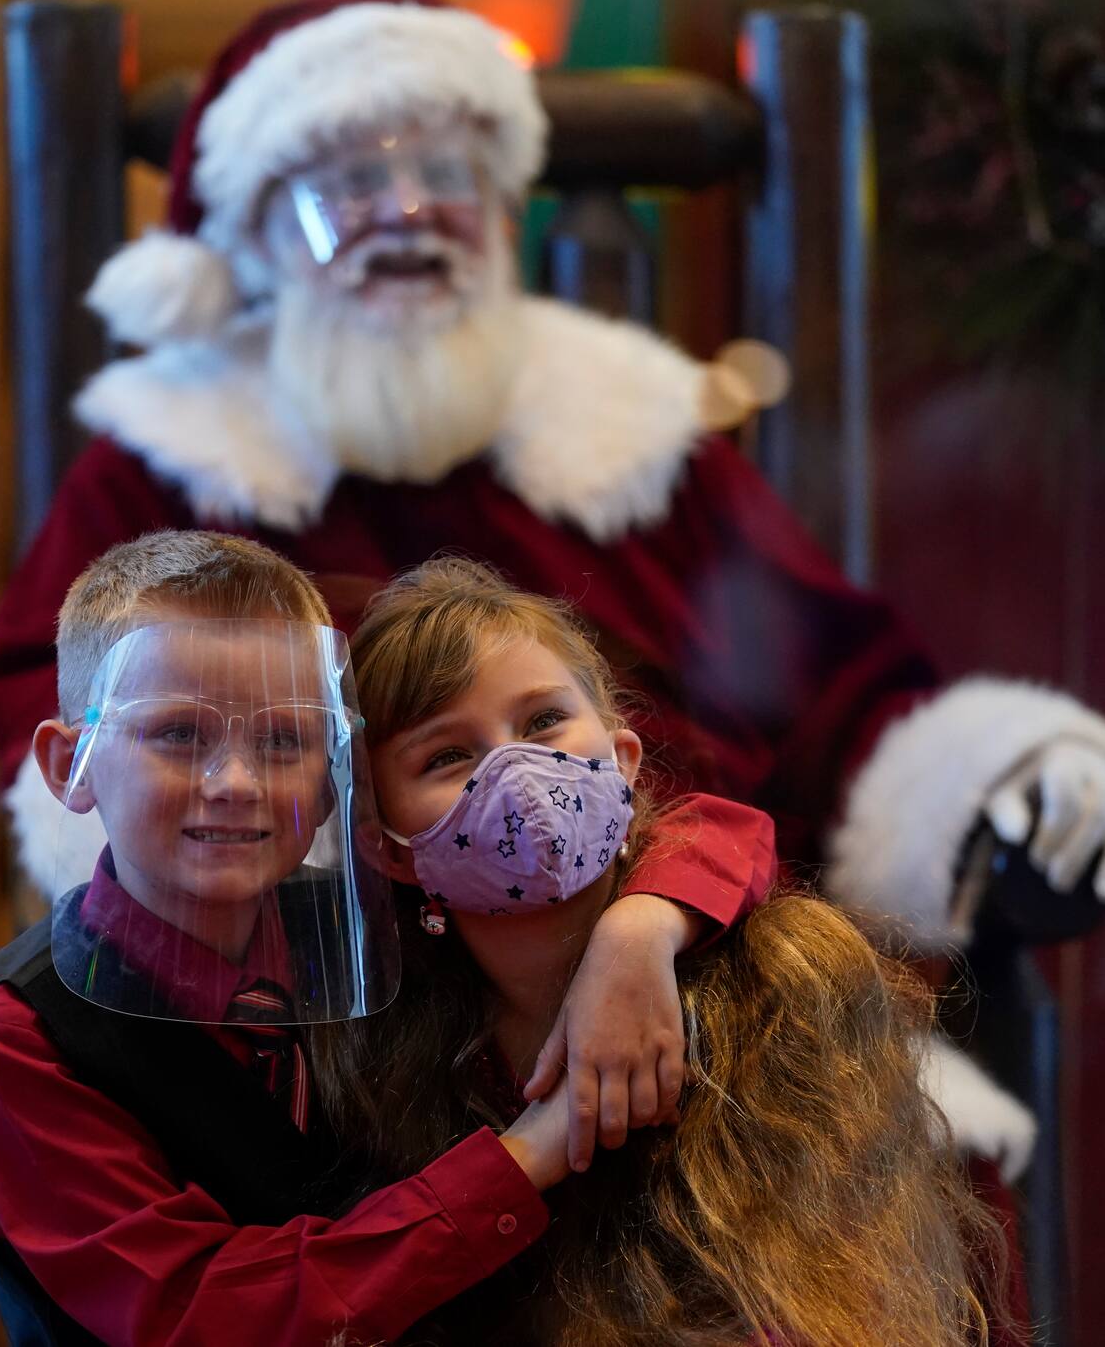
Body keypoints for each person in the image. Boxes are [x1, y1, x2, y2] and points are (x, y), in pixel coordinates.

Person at [0, 0, 1105, 1175]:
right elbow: (80, 717)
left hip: (729, 952)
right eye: (344, 186)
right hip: (365, 1010)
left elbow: (836, 688)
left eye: (447, 175)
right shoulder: (175, 463)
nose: (406, 216)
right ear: (255, 237)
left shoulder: (628, 438)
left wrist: (989, 771)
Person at [0, 530, 767, 1347]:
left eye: (285, 739)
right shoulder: (13, 1032)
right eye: (179, 733)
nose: (236, 783)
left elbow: (714, 829)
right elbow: (196, 1313)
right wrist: (523, 1157)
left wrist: (639, 929)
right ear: (69, 764)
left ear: (334, 784)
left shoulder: (368, 921)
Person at [315, 555, 1002, 1346]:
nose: (516, 772)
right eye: (447, 756)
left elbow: (831, 1298)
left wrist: (639, 929)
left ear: (625, 759)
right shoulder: (378, 1052)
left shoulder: (785, 980)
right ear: (390, 849)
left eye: (542, 722)